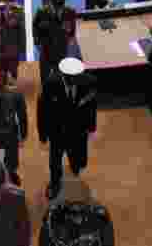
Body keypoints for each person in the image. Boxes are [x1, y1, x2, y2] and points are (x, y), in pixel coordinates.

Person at [37, 58, 97, 201]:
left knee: (78, 161)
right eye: (71, 78)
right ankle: (55, 184)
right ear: (64, 75)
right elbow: (42, 110)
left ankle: (75, 169)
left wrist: (92, 127)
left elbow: (92, 106)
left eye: (77, 76)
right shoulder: (50, 84)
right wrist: (43, 134)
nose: (75, 80)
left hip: (79, 131)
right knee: (55, 161)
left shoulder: (89, 83)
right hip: (57, 132)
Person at [33, 0, 77, 84]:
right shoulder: (42, 12)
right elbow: (35, 28)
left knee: (63, 77)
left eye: (62, 1)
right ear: (51, 0)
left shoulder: (70, 12)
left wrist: (70, 39)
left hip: (62, 49)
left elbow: (72, 29)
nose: (60, 4)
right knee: (45, 77)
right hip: (46, 49)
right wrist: (37, 43)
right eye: (57, 2)